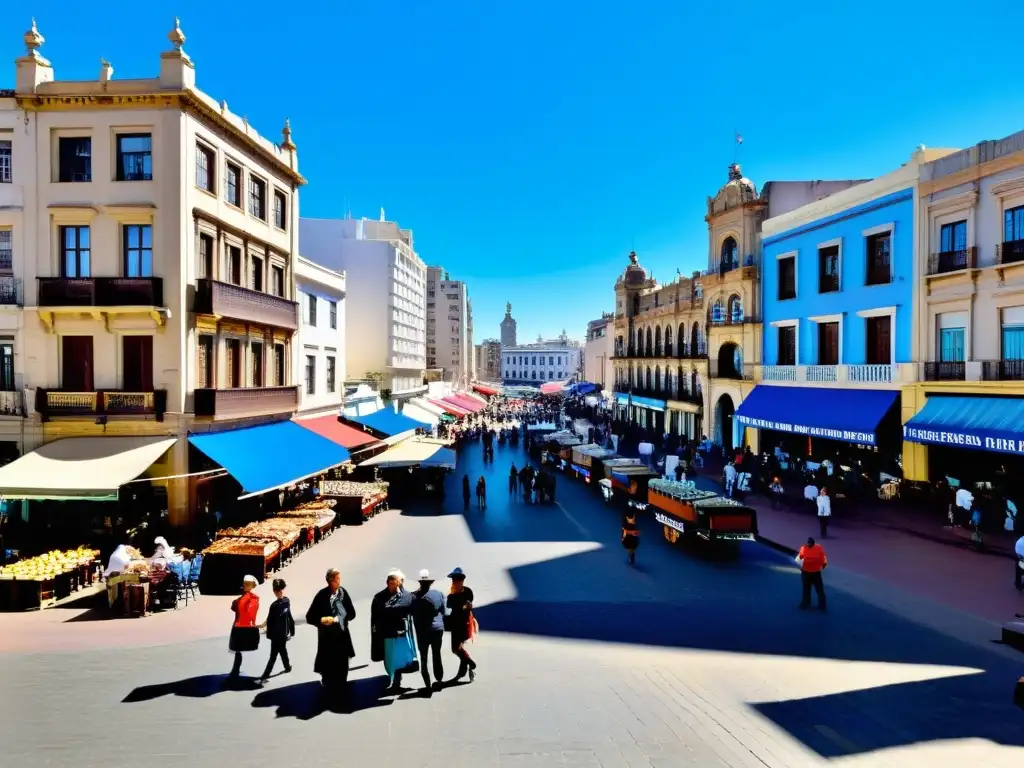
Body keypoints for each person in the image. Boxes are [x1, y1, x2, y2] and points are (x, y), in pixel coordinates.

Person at [305, 568, 357, 700]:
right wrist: (322, 620)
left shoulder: (343, 593)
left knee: (343, 665)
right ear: (330, 581)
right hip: (327, 638)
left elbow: (352, 613)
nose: (339, 582)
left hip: (342, 636)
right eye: (336, 579)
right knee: (328, 666)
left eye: (339, 579)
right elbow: (310, 616)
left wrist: (341, 618)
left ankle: (342, 690)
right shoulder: (321, 596)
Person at [370, 569, 417, 693]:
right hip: (388, 635)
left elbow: (414, 608)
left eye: (394, 582)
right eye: (390, 583)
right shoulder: (379, 598)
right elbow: (379, 614)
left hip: (403, 634)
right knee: (391, 661)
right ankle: (395, 682)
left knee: (403, 660)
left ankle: (396, 682)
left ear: (400, 583)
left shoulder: (407, 596)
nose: (391, 585)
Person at [412, 569, 446, 695]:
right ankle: (439, 681)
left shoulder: (413, 597)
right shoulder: (438, 594)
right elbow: (444, 611)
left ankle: (427, 686)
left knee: (424, 659)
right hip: (437, 629)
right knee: (437, 655)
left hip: (422, 632)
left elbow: (409, 613)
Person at [259, 578, 295, 682]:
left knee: (277, 654)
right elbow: (270, 620)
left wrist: (291, 630)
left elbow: (289, 616)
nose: (280, 592)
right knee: (280, 652)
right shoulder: (273, 606)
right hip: (276, 635)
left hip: (283, 633)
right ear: (274, 592)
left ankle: (266, 675)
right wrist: (268, 633)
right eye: (277, 591)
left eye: (281, 590)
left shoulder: (287, 601)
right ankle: (286, 667)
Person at [446, 567, 477, 682]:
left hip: (465, 624)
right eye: (453, 579)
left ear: (461, 580)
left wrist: (466, 607)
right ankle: (462, 672)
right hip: (455, 623)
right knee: (457, 648)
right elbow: (449, 605)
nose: (454, 581)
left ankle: (470, 663)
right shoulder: (452, 594)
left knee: (456, 648)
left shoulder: (468, 591)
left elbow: (469, 605)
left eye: (456, 579)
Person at [228, 575, 260, 680]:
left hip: (239, 626)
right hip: (241, 625)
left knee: (238, 649)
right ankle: (235, 669)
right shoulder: (252, 598)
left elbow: (237, 609)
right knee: (238, 649)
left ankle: (235, 670)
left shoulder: (245, 599)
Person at [796, 537, 827, 610]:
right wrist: (822, 567)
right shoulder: (819, 548)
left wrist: (801, 568)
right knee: (819, 590)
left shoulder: (803, 548)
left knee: (806, 589)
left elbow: (798, 560)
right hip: (816, 573)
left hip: (806, 573)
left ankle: (806, 603)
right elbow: (824, 560)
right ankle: (822, 606)